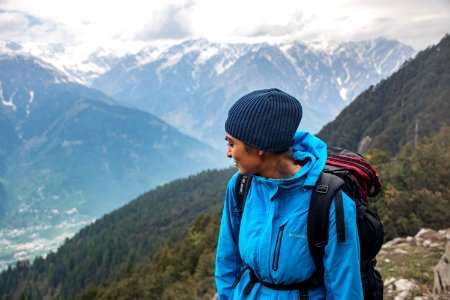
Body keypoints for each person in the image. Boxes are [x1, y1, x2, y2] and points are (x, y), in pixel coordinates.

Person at [214, 88, 363, 299]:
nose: (228, 153)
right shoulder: (240, 186)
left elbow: (344, 288)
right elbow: (228, 260)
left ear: (259, 146)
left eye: (232, 143)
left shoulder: (329, 201)